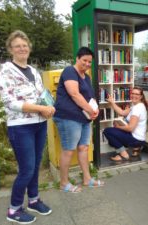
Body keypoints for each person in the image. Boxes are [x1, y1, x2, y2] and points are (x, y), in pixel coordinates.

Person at [0, 30, 55, 224]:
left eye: (24, 45)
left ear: (29, 48)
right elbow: (9, 102)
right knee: (26, 169)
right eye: (17, 46)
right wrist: (40, 108)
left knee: (35, 165)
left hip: (39, 124)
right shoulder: (6, 71)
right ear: (10, 49)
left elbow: (41, 94)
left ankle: (33, 200)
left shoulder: (34, 71)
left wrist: (49, 106)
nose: (22, 48)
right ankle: (13, 210)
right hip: (21, 127)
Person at [53, 47, 104, 191]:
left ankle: (87, 179)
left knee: (84, 147)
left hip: (84, 118)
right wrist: (91, 110)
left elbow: (91, 97)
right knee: (68, 150)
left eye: (89, 62)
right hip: (68, 117)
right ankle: (64, 183)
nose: (87, 64)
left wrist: (96, 109)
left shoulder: (86, 77)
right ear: (77, 58)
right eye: (84, 60)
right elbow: (74, 94)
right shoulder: (70, 71)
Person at [103, 87, 148, 161]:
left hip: (135, 139)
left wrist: (118, 127)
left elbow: (130, 128)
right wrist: (112, 102)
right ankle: (136, 149)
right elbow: (122, 112)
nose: (134, 95)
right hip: (138, 138)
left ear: (141, 96)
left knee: (107, 131)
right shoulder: (136, 105)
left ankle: (124, 154)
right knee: (113, 135)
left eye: (137, 94)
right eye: (132, 93)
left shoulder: (137, 108)